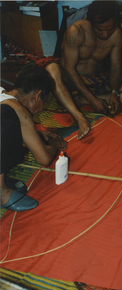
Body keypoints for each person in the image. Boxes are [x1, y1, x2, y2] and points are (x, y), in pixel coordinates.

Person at [46, 0, 122, 137]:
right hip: (70, 79)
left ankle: (78, 100)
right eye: (100, 29)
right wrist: (92, 99)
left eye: (110, 29)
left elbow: (115, 67)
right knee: (51, 69)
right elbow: (68, 69)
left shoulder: (116, 35)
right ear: (90, 21)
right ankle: (78, 115)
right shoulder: (76, 31)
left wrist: (114, 93)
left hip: (95, 79)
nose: (105, 35)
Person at [0, 62, 67, 212]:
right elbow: (43, 158)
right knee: (7, 119)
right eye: (43, 101)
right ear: (36, 96)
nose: (40, 110)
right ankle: (1, 192)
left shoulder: (3, 94)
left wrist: (35, 133)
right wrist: (56, 143)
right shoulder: (15, 111)